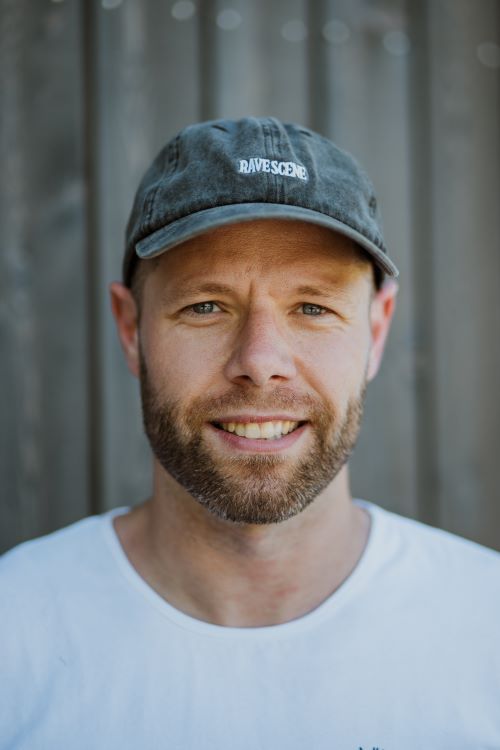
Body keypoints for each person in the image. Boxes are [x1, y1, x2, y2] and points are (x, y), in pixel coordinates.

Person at [1, 117, 499, 748]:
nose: (260, 361)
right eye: (205, 306)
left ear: (376, 330)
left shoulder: (486, 627)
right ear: (131, 329)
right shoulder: (15, 630)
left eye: (313, 307)